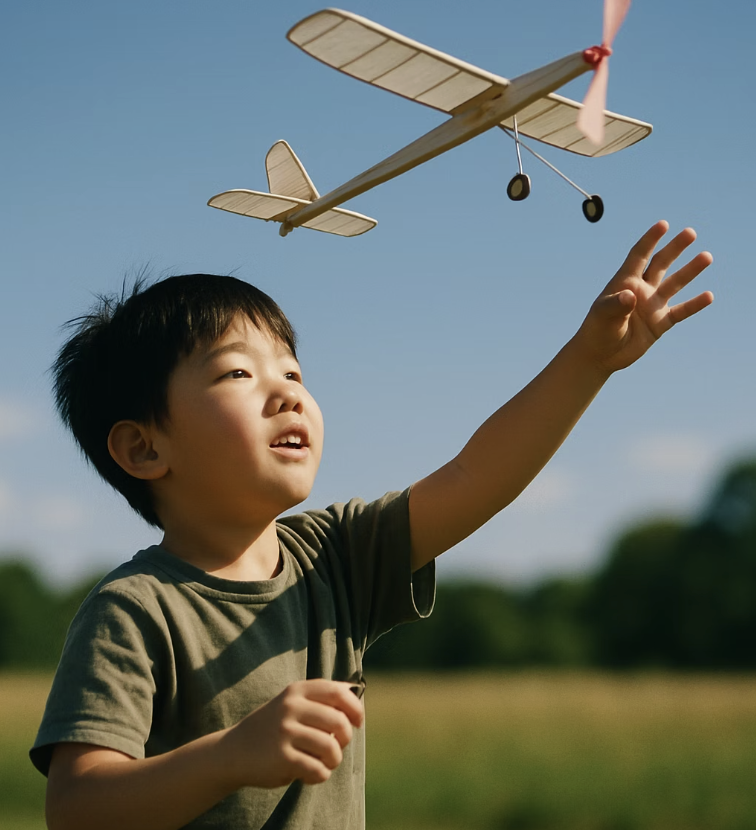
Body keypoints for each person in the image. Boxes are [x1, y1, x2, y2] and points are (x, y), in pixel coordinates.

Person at [32, 220, 712, 830]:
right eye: (237, 372)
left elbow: (478, 477)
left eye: (293, 370)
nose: (288, 391)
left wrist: (590, 360)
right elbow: (77, 807)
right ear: (144, 448)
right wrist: (229, 756)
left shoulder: (336, 557)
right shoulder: (134, 610)